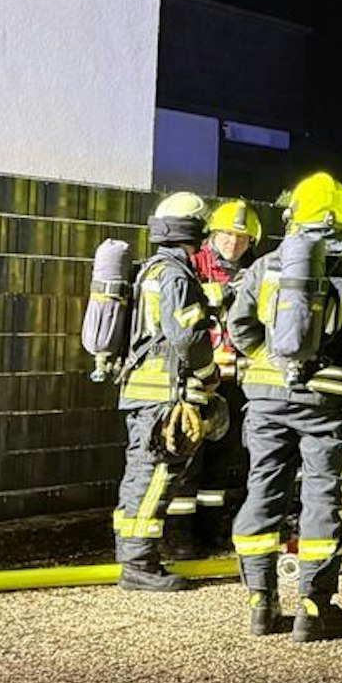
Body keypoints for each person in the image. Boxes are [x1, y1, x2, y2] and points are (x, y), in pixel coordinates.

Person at [227, 173, 342, 640]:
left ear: (293, 214)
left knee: (263, 490)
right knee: (322, 499)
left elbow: (239, 327)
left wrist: (271, 361)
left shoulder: (267, 265)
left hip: (265, 399)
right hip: (326, 403)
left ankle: (260, 602)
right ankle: (314, 608)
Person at [110, 192, 218, 592]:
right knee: (154, 475)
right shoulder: (175, 275)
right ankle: (137, 564)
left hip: (145, 391)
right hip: (163, 394)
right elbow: (187, 337)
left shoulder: (152, 269)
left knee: (141, 473)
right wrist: (208, 374)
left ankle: (134, 555)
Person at [161, 199, 263, 559]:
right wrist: (227, 292)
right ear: (212, 235)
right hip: (197, 380)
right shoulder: (193, 265)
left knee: (223, 459)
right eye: (227, 235)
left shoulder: (256, 271)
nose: (234, 243)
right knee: (189, 458)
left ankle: (210, 528)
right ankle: (178, 536)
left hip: (235, 381)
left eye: (242, 238)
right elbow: (186, 310)